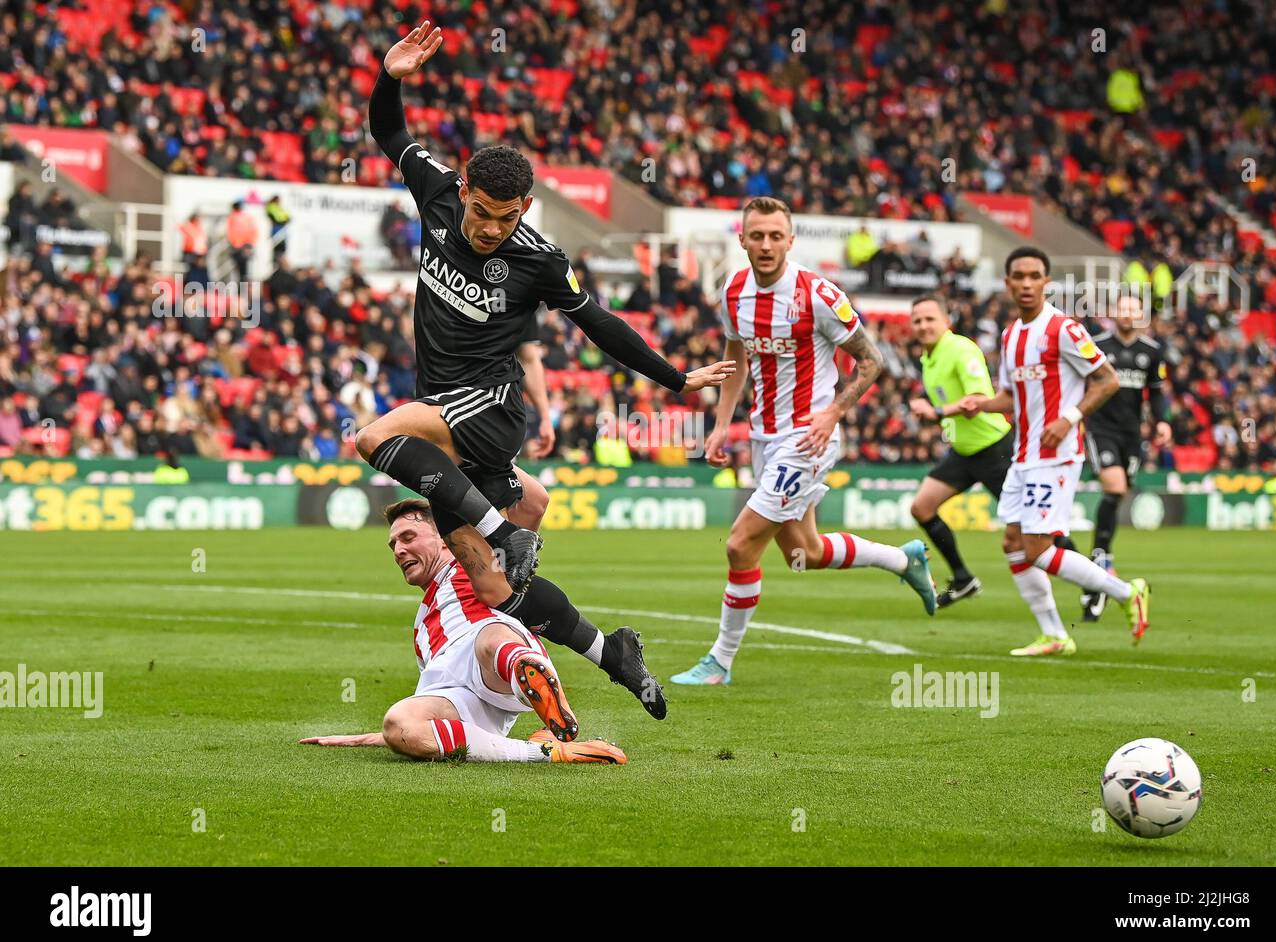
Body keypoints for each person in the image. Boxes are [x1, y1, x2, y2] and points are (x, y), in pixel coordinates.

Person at [355, 21, 733, 717]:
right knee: (492, 586)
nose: (490, 227)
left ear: (523, 207)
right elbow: (388, 133)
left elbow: (597, 324)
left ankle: (509, 531)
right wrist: (391, 76)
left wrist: (676, 380)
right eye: (481, 211)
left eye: (505, 216)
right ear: (463, 189)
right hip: (445, 416)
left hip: (490, 406)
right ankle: (610, 652)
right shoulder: (436, 192)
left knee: (372, 438)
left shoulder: (538, 258)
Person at [671, 197, 936, 687]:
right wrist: (720, 424)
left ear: (791, 241)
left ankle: (720, 662)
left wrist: (833, 413)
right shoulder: (732, 291)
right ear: (743, 239)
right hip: (763, 437)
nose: (767, 244)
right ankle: (904, 560)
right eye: (758, 235)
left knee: (740, 544)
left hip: (808, 438)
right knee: (804, 554)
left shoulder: (818, 294)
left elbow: (872, 360)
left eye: (776, 236)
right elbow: (736, 358)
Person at [299, 499, 626, 764]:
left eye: (408, 538)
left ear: (444, 536)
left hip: (496, 657)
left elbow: (534, 503)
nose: (398, 550)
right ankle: (549, 750)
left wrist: (484, 455)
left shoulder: (475, 562)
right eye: (393, 544)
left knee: (488, 638)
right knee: (398, 722)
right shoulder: (421, 628)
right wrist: (381, 737)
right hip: (466, 700)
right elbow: (429, 712)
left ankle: (543, 692)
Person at [956, 247, 1150, 657]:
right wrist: (979, 404)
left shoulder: (1064, 329)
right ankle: (1055, 635)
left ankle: (1124, 591)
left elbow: (1107, 379)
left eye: (1034, 276)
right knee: (1012, 541)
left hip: (1057, 454)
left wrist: (1069, 417)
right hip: (1023, 456)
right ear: (1007, 283)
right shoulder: (1010, 336)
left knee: (1037, 548)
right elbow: (1011, 397)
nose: (1026, 284)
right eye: (1019, 277)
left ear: (1047, 282)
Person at [907, 293, 1014, 605]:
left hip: (993, 449)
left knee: (1034, 524)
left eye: (930, 319)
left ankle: (1092, 577)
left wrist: (936, 412)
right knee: (921, 508)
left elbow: (978, 398)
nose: (923, 325)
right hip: (963, 452)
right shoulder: (929, 357)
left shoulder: (960, 349)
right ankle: (963, 579)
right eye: (918, 320)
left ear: (946, 322)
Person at [1080, 294, 1171, 621]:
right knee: (1115, 488)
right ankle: (1100, 558)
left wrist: (1162, 421)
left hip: (1132, 434)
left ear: (1141, 314)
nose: (1129, 314)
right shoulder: (1096, 344)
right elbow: (1082, 380)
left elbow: (1156, 392)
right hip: (1100, 428)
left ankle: (1097, 566)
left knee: (1117, 493)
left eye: (1134, 309)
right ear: (1113, 313)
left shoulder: (1152, 350)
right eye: (1123, 308)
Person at [226, 200, 257, 282]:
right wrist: (250, 245)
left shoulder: (232, 217)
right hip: (245, 246)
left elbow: (230, 233)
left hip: (237, 247)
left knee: (238, 271)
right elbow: (253, 231)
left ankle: (241, 291)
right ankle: (243, 291)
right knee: (244, 272)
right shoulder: (247, 217)